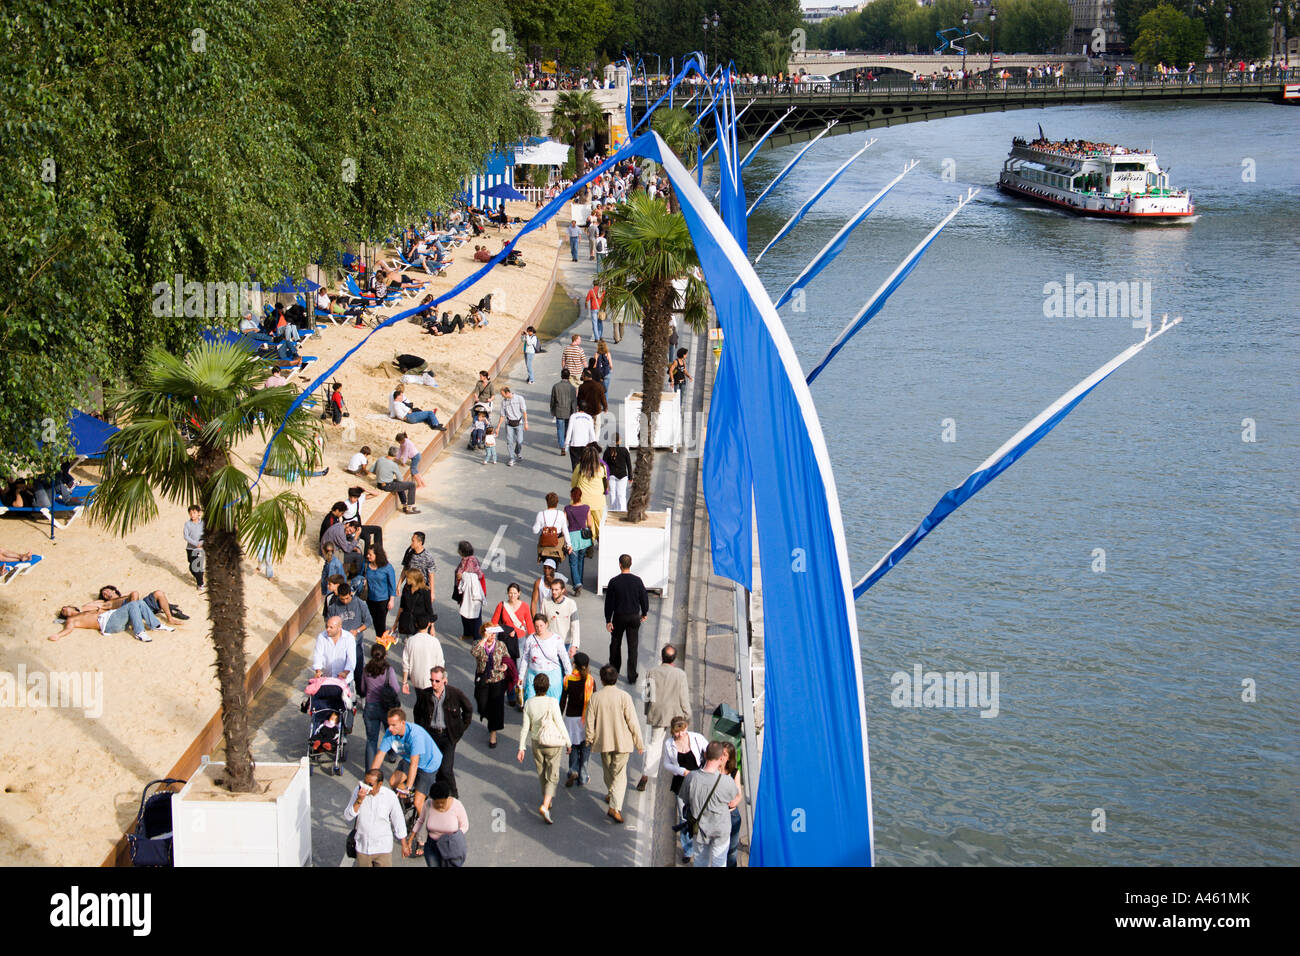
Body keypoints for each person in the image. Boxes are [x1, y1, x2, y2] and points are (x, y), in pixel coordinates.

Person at [585, 664, 645, 825]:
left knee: (608, 771)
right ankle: (615, 807)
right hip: (622, 741)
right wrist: (639, 742)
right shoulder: (624, 696)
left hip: (603, 741)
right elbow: (632, 721)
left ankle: (613, 798)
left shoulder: (595, 698)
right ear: (616, 678)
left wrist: (589, 739)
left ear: (602, 680)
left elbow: (590, 722)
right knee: (619, 775)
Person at [517, 674, 571, 824]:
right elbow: (560, 723)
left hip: (536, 742)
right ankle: (545, 805)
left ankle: (546, 798)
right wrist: (568, 742)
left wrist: (522, 747)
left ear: (534, 687)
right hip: (553, 743)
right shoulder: (552, 702)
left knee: (542, 772)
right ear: (548, 687)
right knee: (553, 775)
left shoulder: (528, 703)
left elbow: (525, 728)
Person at [637, 643, 692, 792]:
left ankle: (646, 775)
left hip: (658, 713)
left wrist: (648, 711)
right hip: (676, 715)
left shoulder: (651, 672)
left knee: (654, 744)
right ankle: (682, 774)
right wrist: (687, 715)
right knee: (680, 744)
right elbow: (683, 698)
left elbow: (647, 696)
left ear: (662, 657)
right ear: (674, 659)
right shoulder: (680, 674)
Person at [371, 707, 442, 819]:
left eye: (393, 725)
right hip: (409, 759)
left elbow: (415, 764)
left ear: (403, 723)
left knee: (418, 802)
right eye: (389, 724)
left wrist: (407, 788)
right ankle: (407, 803)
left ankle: (426, 827)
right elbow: (380, 755)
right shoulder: (391, 733)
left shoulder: (415, 736)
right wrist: (370, 779)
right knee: (393, 781)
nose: (389, 728)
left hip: (428, 765)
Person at [679, 741, 740, 867]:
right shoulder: (727, 781)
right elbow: (733, 798)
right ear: (720, 758)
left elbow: (685, 799)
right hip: (720, 830)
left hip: (699, 829)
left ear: (705, 755)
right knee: (719, 863)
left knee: (700, 862)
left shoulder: (691, 777)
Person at [416, 665, 473, 798]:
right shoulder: (425, 695)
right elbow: (417, 712)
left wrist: (460, 728)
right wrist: (422, 730)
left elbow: (468, 709)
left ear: (444, 681)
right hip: (431, 735)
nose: (434, 684)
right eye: (432, 680)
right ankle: (438, 793)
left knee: (446, 769)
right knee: (433, 767)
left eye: (437, 681)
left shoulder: (455, 694)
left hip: (448, 736)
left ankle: (454, 795)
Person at [663, 716, 709, 863]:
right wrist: (679, 770)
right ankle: (688, 850)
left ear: (686, 728)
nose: (680, 735)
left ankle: (703, 845)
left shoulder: (697, 739)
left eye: (682, 731)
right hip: (681, 783)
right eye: (677, 732)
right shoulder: (669, 744)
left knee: (702, 814)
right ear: (672, 731)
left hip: (699, 782)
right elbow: (666, 764)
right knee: (684, 818)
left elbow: (709, 753)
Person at [47, 595, 177, 643]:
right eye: (63, 612)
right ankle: (139, 632)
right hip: (107, 623)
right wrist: (58, 635)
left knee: (139, 603)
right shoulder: (72, 620)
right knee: (133, 604)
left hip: (112, 617)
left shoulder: (85, 609)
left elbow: (103, 604)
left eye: (65, 607)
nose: (65, 610)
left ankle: (156, 625)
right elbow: (68, 629)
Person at [345, 769, 407, 867]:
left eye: (370, 784)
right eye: (365, 783)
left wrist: (404, 844)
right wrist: (359, 800)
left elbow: (398, 819)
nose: (366, 787)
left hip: (383, 848)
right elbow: (348, 816)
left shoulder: (390, 796)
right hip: (363, 847)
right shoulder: (358, 791)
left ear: (380, 784)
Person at [605, 554, 649, 684]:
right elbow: (644, 598)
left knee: (615, 643)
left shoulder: (614, 582)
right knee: (633, 646)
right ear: (631, 564)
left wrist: (608, 620)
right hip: (634, 617)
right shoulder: (638, 580)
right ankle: (631, 675)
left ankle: (614, 670)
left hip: (619, 617)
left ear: (620, 564)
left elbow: (609, 603)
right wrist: (644, 612)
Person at [404, 780, 469, 866]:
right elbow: (420, 821)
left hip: (450, 845)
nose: (440, 805)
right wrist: (410, 839)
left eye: (442, 802)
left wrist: (452, 838)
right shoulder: (428, 804)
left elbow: (464, 826)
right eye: (437, 803)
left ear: (447, 798)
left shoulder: (457, 805)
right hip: (432, 846)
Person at [471, 625, 515, 747]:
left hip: (498, 679)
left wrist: (505, 666)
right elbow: (474, 652)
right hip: (483, 679)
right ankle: (490, 718)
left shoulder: (500, 645)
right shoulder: (478, 644)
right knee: (482, 704)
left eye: (494, 633)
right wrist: (484, 639)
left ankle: (493, 733)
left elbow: (507, 658)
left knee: (496, 706)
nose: (492, 636)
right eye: (489, 633)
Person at [359, 644, 402, 769]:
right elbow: (396, 688)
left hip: (370, 707)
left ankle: (369, 772)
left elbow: (362, 688)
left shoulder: (366, 669)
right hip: (387, 708)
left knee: (371, 741)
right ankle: (393, 754)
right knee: (392, 733)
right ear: (386, 655)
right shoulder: (389, 670)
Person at [560, 652, 595, 787]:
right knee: (585, 747)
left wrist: (558, 716)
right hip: (585, 718)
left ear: (574, 664)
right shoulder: (591, 681)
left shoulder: (568, 679)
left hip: (571, 718)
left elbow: (563, 700)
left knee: (573, 746)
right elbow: (594, 701)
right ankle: (583, 776)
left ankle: (573, 770)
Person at [520, 614, 571, 702]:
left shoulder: (556, 639)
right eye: (536, 626)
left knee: (552, 704)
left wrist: (568, 673)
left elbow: (564, 657)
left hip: (552, 676)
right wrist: (520, 677)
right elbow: (525, 659)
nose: (539, 629)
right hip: (534, 675)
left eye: (541, 626)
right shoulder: (530, 639)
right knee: (531, 702)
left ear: (546, 624)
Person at [489, 581, 534, 669]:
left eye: (515, 593)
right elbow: (494, 623)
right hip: (505, 639)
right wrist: (490, 636)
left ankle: (518, 682)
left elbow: (529, 623)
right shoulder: (501, 605)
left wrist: (534, 639)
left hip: (519, 639)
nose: (512, 595)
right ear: (507, 593)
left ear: (519, 593)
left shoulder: (524, 606)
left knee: (519, 664)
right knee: (505, 663)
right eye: (510, 593)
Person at [570, 445, 607, 542]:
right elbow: (605, 484)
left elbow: (573, 483)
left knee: (585, 523)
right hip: (598, 501)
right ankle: (601, 540)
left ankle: (589, 540)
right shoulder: (602, 468)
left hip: (583, 501)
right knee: (600, 523)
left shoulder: (580, 468)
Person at [95, 585, 188, 623]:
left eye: (106, 591)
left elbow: (132, 593)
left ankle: (170, 618)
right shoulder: (108, 603)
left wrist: (120, 595)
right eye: (104, 594)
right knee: (135, 593)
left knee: (159, 593)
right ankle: (157, 608)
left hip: (141, 604)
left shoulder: (124, 595)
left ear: (113, 590)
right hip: (128, 609)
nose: (106, 594)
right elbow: (96, 605)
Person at [563, 487, 596, 593]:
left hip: (572, 537)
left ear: (571, 496)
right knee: (581, 560)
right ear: (581, 496)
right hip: (583, 538)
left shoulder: (567, 508)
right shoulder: (586, 508)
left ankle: (577, 584)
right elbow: (590, 524)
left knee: (573, 562)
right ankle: (579, 581)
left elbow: (563, 524)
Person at [540, 576, 581, 654]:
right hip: (550, 642)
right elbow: (542, 622)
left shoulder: (571, 603)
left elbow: (575, 625)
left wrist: (575, 645)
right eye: (552, 589)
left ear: (563, 590)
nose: (554, 592)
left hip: (565, 643)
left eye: (556, 589)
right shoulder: (545, 601)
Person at [374, 446, 420, 515]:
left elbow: (373, 470)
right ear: (395, 455)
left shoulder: (380, 459)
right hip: (387, 486)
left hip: (379, 484)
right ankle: (409, 508)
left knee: (399, 484)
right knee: (412, 485)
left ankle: (404, 505)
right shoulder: (393, 464)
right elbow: (400, 479)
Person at [364, 544, 397, 637]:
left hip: (383, 600)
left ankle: (381, 644)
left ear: (377, 555)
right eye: (367, 554)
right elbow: (361, 575)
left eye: (370, 554)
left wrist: (391, 600)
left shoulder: (387, 567)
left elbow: (392, 584)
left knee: (381, 623)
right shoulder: (366, 565)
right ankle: (380, 640)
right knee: (375, 621)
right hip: (370, 599)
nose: (368, 556)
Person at [454, 540, 486, 639]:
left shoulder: (471, 561)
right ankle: (468, 633)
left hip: (473, 593)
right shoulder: (464, 560)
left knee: (476, 615)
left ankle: (477, 637)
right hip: (465, 592)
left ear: (462, 551)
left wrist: (462, 575)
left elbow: (478, 575)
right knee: (464, 613)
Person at [312, 615, 356, 682]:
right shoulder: (321, 637)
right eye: (327, 626)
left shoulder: (349, 638)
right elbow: (318, 655)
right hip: (327, 678)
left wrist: (345, 673)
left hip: (345, 680)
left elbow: (351, 659)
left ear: (339, 628)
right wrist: (318, 671)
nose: (327, 629)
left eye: (331, 627)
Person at [532, 491, 571, 567]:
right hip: (557, 544)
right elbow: (565, 531)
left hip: (545, 544)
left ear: (547, 502)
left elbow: (535, 531)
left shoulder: (541, 514)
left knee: (544, 559)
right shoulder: (560, 514)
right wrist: (569, 545)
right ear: (557, 503)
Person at [721, 741, 743, 867]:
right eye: (720, 753)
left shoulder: (734, 772)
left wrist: (735, 801)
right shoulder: (713, 768)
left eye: (724, 754)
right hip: (717, 815)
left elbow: (738, 793)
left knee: (732, 849)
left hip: (731, 814)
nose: (721, 757)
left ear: (729, 757)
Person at [550, 368, 577, 455]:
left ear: (561, 376)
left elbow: (552, 400)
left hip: (559, 411)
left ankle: (562, 446)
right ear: (569, 377)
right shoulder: (572, 388)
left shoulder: (556, 386)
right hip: (569, 412)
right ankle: (566, 443)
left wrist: (552, 410)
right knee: (567, 429)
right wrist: (574, 412)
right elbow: (574, 401)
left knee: (560, 429)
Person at [498, 385, 528, 466]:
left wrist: (526, 423)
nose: (502, 396)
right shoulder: (503, 402)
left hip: (519, 423)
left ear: (507, 393)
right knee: (509, 442)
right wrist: (498, 427)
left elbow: (524, 411)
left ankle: (517, 452)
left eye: (502, 394)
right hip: (509, 424)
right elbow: (502, 415)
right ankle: (512, 458)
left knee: (520, 441)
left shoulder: (519, 398)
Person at [603, 436, 631, 512]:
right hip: (622, 476)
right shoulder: (624, 450)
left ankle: (613, 510)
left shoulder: (608, 451)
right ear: (619, 441)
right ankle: (622, 511)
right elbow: (629, 464)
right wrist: (630, 477)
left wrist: (604, 478)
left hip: (611, 475)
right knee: (621, 495)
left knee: (612, 494)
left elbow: (604, 465)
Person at [183, 504, 205, 594]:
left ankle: (200, 584)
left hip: (199, 549)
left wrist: (202, 543)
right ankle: (200, 575)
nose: (192, 515)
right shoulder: (187, 524)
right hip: (190, 548)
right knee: (192, 568)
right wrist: (196, 543)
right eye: (191, 513)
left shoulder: (203, 523)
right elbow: (186, 536)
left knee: (197, 566)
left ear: (199, 513)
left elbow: (206, 534)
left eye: (194, 513)